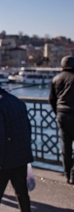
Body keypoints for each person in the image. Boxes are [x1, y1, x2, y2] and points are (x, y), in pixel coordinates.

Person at [0, 77, 33, 212]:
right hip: (21, 157)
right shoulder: (17, 101)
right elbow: (27, 129)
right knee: (22, 193)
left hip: (4, 160)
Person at [49, 55, 74, 185]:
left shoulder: (56, 79)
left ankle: (67, 174)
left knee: (65, 145)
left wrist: (57, 111)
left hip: (62, 114)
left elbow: (51, 99)